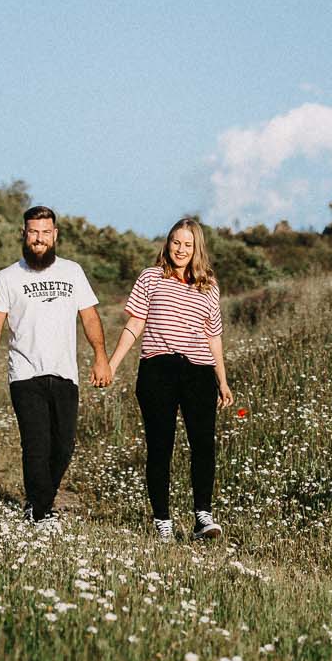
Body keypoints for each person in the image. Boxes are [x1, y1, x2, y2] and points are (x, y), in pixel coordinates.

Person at [0, 205, 111, 532]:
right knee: (36, 444)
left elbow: (90, 317)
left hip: (65, 372)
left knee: (63, 446)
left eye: (45, 233)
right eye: (33, 232)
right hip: (25, 374)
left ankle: (39, 501)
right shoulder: (7, 278)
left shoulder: (72, 272)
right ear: (24, 234)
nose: (39, 239)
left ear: (55, 235)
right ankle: (41, 514)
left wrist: (100, 355)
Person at [105, 216, 233, 541]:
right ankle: (162, 521)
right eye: (176, 242)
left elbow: (212, 337)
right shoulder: (151, 277)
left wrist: (223, 380)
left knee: (203, 444)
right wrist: (112, 364)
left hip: (199, 372)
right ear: (167, 243)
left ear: (197, 248)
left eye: (188, 244)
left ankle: (203, 516)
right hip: (157, 369)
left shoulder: (209, 286)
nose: (181, 249)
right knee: (160, 446)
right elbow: (135, 324)